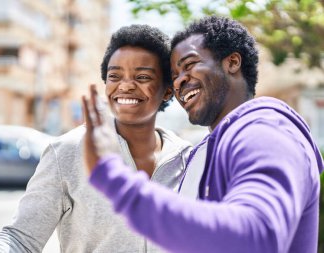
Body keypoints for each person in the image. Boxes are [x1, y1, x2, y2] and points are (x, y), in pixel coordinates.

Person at [83, 16, 324, 253]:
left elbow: (256, 236)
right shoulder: (207, 149)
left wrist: (113, 176)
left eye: (189, 65)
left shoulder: (266, 131)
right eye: (175, 75)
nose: (179, 81)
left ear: (232, 63)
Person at [0, 24, 192, 253]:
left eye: (142, 76)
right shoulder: (68, 151)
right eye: (114, 76)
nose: (125, 85)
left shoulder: (188, 159)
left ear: (168, 90)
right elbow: (20, 238)